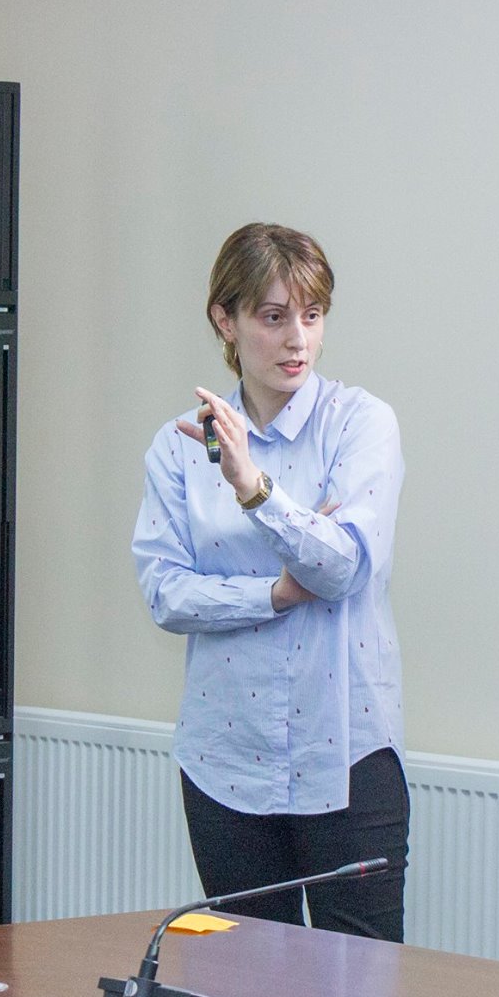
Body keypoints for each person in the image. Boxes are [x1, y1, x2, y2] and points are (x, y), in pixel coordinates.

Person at [131, 222, 408, 939]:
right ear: (225, 320)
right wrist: (275, 592)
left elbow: (341, 567)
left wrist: (255, 490)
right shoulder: (179, 448)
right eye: (274, 317)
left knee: (363, 980)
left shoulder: (361, 425)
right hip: (225, 761)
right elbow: (165, 591)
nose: (298, 341)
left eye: (312, 316)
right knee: (247, 982)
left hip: (347, 754)